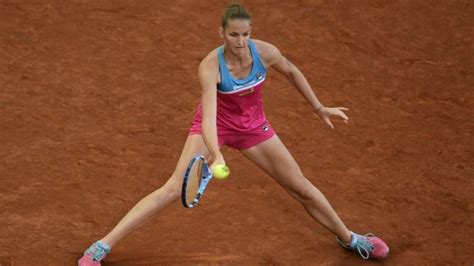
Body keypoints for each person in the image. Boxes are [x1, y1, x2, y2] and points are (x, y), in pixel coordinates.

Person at [78, 3, 389, 265]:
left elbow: (292, 70)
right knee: (173, 189)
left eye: (245, 34)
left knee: (302, 188)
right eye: (233, 34)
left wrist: (319, 107)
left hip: (254, 127)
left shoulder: (265, 52)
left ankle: (350, 238)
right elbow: (209, 118)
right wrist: (215, 154)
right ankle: (102, 245)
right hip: (216, 127)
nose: (240, 41)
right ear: (222, 33)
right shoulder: (210, 67)